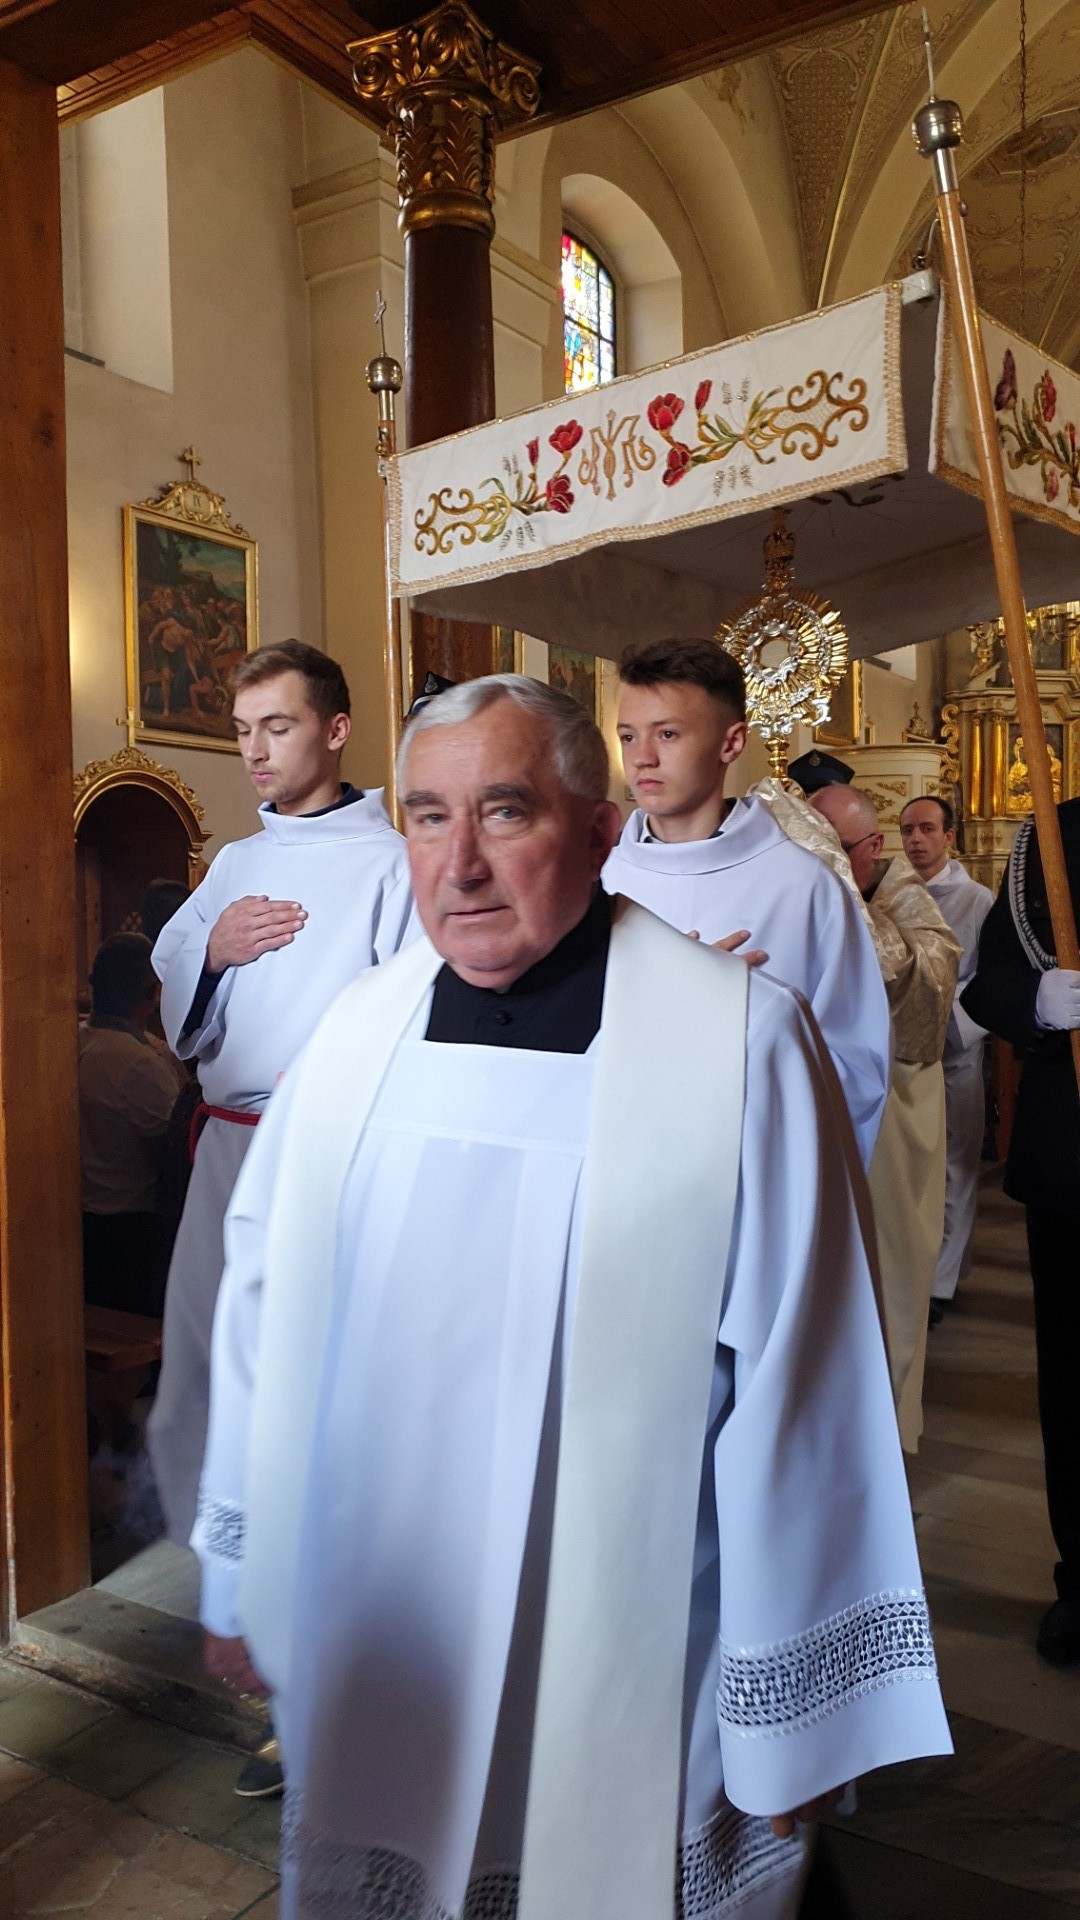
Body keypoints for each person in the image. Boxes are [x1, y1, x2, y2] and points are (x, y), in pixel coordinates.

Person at [195, 675, 950, 1920]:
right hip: (389, 1628)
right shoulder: (354, 1039)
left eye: (506, 812)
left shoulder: (741, 1043)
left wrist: (797, 1715)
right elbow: (259, 1313)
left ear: (601, 834)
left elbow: (805, 1384)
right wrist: (241, 1567)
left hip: (640, 1645)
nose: (460, 865)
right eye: (428, 818)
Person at [149, 639, 414, 1561]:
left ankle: (316, 1554)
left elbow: (412, 1005)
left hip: (327, 1153)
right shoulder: (234, 862)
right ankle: (208, 1546)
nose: (254, 751)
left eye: (277, 726)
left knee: (310, 1358)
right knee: (201, 1345)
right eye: (241, 731)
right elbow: (173, 966)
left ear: (336, 731)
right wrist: (213, 952)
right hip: (226, 1144)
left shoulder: (391, 863)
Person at [602, 639, 890, 1167]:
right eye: (628, 736)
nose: (641, 757)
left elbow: (856, 1066)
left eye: (667, 734)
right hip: (620, 1161)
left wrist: (736, 1022)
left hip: (755, 1164)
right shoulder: (600, 880)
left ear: (731, 742)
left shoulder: (803, 888)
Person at [962, 799, 1080, 1667]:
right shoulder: (1055, 833)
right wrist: (1036, 1001)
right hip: (1073, 1156)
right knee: (1074, 1384)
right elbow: (990, 979)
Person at [811, 785, 960, 1452]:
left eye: (836, 851)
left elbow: (914, 984)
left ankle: (882, 1435)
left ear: (873, 847)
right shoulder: (821, 890)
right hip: (822, 1117)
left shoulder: (912, 909)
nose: (824, 866)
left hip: (892, 1119)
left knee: (886, 1276)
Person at [899, 797, 993, 1322]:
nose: (916, 839)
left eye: (927, 829)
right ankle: (918, 1271)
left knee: (956, 1163)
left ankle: (941, 1285)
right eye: (908, 830)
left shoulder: (976, 900)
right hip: (905, 1052)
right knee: (915, 1162)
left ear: (949, 836)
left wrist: (943, 1015)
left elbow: (985, 976)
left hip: (956, 1045)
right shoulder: (894, 892)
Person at [80, 934, 181, 1317]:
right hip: (129, 1233)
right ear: (152, 992)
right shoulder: (137, 1064)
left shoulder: (75, 1039)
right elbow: (169, 1158)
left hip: (81, 1222)